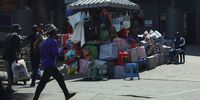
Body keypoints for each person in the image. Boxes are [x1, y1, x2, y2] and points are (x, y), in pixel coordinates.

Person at [33, 24, 76, 100]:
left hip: (46, 64)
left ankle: (35, 98)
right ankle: (66, 95)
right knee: (59, 79)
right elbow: (56, 53)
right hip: (50, 64)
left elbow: (42, 53)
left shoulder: (45, 41)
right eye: (55, 31)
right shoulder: (53, 41)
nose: (56, 32)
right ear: (53, 32)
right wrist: (62, 49)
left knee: (43, 83)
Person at [2, 24, 22, 92]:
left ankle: (9, 86)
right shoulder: (16, 36)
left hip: (5, 56)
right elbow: (14, 48)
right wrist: (16, 57)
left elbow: (4, 45)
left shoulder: (7, 35)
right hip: (11, 56)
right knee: (12, 72)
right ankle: (9, 87)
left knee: (9, 72)